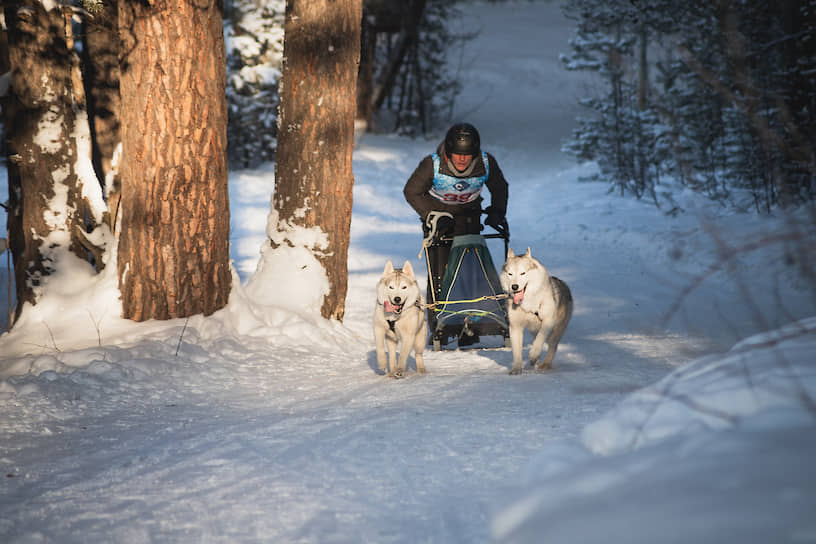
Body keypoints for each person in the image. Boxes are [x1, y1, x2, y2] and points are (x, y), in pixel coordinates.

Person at [403, 122, 509, 344]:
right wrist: (431, 214)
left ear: (475, 153)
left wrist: (497, 211)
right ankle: (441, 326)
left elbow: (500, 187)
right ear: (448, 152)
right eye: (457, 155)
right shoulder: (431, 164)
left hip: (469, 217)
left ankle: (471, 325)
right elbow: (411, 191)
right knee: (441, 274)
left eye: (467, 155)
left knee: (470, 273)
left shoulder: (486, 163)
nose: (462, 160)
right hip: (438, 221)